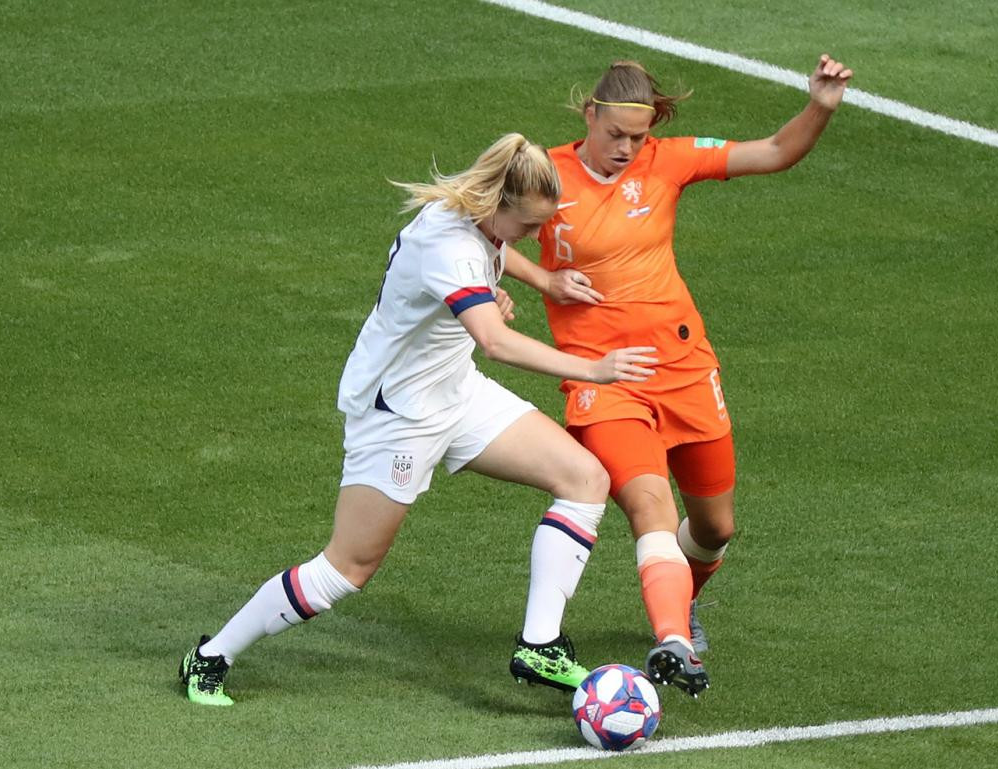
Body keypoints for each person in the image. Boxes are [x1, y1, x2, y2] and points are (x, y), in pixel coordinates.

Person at [178, 133, 658, 706]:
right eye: (530, 225)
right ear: (496, 206)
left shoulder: (479, 220)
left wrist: (542, 281)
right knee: (348, 568)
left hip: (457, 393)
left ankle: (539, 646)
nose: (535, 236)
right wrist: (594, 370)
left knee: (585, 478)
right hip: (399, 416)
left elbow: (498, 258)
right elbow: (496, 343)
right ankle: (210, 657)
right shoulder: (448, 246)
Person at [503, 55, 853, 696]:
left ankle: (678, 603)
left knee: (716, 527)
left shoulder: (666, 161)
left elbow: (775, 151)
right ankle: (672, 639)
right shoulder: (547, 173)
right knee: (650, 506)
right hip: (603, 382)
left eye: (638, 137)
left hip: (686, 369)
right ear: (591, 116)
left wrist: (821, 105)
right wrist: (543, 278)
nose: (626, 149)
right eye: (615, 135)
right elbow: (480, 230)